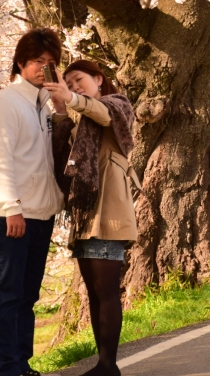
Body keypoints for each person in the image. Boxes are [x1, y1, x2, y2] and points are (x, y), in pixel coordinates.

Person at [0, 29, 67, 376]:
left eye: (50, 64)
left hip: (39, 214)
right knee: (7, 294)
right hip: (11, 216)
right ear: (20, 63)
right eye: (36, 62)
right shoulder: (6, 102)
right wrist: (11, 207)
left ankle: (21, 365)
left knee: (27, 296)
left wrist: (60, 102)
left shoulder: (43, 107)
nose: (42, 69)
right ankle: (4, 369)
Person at [44, 60, 138, 376]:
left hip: (109, 215)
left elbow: (101, 112)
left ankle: (109, 365)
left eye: (79, 79)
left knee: (107, 290)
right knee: (95, 292)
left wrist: (71, 100)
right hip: (85, 217)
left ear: (98, 79)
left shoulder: (116, 106)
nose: (74, 86)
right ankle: (104, 364)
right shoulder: (83, 124)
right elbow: (61, 153)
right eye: (68, 82)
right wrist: (60, 107)